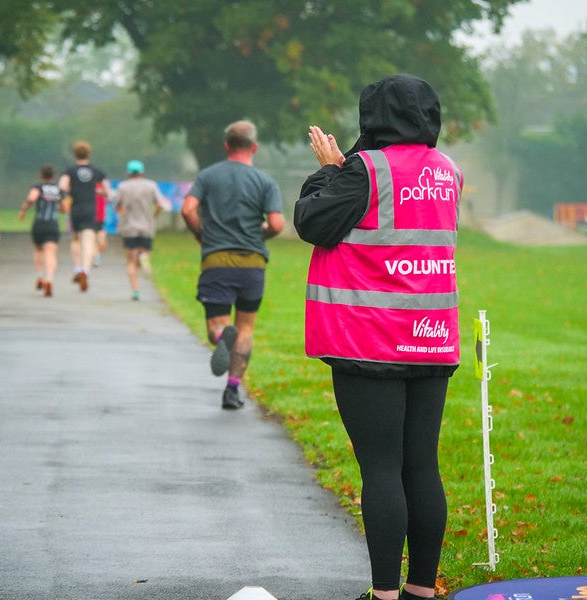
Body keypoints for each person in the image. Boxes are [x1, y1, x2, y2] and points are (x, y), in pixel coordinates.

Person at [293, 74, 463, 600]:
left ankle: (384, 594)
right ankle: (420, 590)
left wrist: (329, 168)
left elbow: (312, 221)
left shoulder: (364, 171)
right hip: (432, 338)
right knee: (422, 465)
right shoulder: (449, 171)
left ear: (372, 117)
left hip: (369, 341)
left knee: (382, 469)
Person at [181, 120, 285, 409]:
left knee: (219, 325)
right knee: (246, 328)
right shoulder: (265, 182)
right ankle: (233, 390)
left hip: (217, 260)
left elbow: (187, 208)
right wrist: (261, 231)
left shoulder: (208, 175)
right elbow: (277, 223)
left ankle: (219, 335)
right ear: (254, 147)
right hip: (253, 263)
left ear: (226, 145)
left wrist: (201, 233)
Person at [59, 140, 111, 292]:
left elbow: (62, 186)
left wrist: (73, 189)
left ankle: (77, 268)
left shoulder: (70, 170)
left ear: (75, 154)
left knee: (76, 239)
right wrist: (94, 191)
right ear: (89, 153)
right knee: (88, 241)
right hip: (90, 209)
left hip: (75, 209)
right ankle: (85, 271)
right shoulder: (97, 171)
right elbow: (107, 191)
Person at [114, 159, 167, 301]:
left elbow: (117, 206)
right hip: (147, 227)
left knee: (131, 261)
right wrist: (153, 216)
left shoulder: (123, 187)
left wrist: (122, 212)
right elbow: (161, 205)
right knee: (143, 254)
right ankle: (144, 259)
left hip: (129, 228)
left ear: (128, 172)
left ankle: (135, 290)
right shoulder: (151, 186)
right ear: (142, 172)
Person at [18, 164, 64, 297]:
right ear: (54, 176)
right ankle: (49, 279)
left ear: (41, 176)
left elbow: (32, 198)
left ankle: (39, 276)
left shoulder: (38, 188)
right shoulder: (57, 190)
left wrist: (23, 210)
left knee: (39, 250)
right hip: (52, 224)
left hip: (39, 224)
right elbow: (64, 208)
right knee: (51, 253)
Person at [92, 180, 110, 267]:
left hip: (91, 213)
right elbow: (109, 199)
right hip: (101, 213)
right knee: (100, 230)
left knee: (92, 237)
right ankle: (102, 239)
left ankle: (96, 258)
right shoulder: (103, 186)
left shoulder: (88, 185)